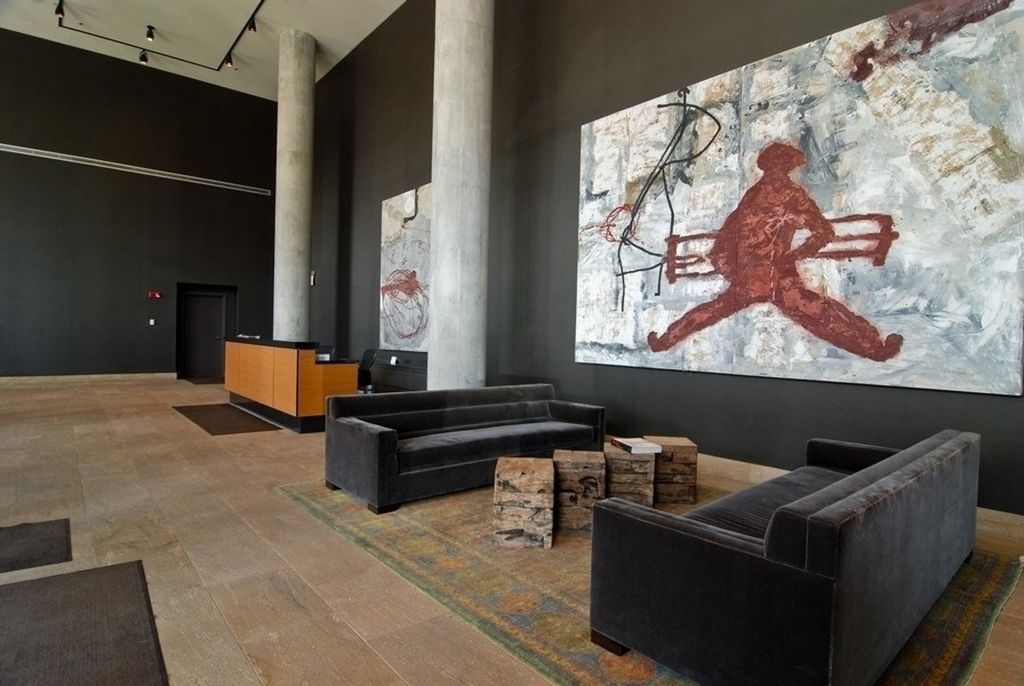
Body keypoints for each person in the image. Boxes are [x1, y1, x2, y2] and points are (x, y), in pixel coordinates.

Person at [647, 142, 903, 361]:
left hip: (754, 276)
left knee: (715, 310)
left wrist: (735, 269)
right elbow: (823, 232)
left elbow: (725, 239)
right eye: (782, 166)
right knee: (821, 313)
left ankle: (666, 340)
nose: (780, 172)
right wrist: (793, 256)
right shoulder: (790, 195)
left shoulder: (755, 195)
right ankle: (874, 347)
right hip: (774, 275)